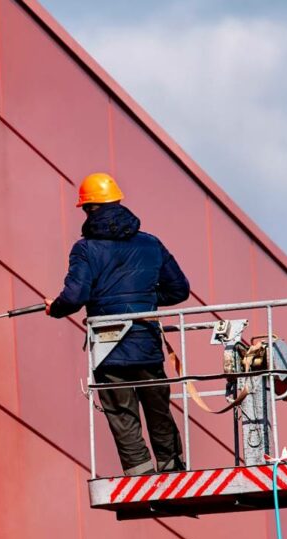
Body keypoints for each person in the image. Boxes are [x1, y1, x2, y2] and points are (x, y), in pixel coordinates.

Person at [45, 172, 190, 476]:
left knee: (121, 411)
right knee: (157, 406)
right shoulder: (151, 244)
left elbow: (74, 297)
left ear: (88, 209)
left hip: (108, 345)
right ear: (118, 202)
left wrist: (54, 309)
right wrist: (143, 302)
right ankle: (172, 466)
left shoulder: (85, 249)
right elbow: (179, 290)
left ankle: (139, 471)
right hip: (146, 342)